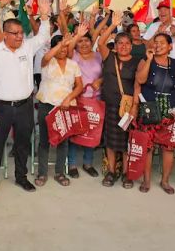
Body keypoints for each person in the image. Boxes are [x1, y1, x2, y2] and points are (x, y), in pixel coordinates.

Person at [0, 0, 51, 197]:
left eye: (21, 33)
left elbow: (43, 37)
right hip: (0, 107)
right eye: (16, 33)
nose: (20, 37)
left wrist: (44, 17)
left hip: (24, 107)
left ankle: (21, 177)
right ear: (6, 33)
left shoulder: (27, 47)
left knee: (23, 144)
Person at [98, 12, 141, 189]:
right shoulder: (109, 57)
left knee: (126, 142)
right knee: (110, 141)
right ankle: (111, 171)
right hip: (109, 106)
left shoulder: (138, 61)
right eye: (120, 43)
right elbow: (101, 42)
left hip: (128, 108)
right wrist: (112, 25)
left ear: (132, 46)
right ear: (115, 46)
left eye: (127, 43)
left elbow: (138, 86)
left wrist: (135, 108)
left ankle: (126, 173)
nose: (123, 46)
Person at [135, 33, 175, 194]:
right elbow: (140, 80)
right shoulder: (145, 60)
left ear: (170, 47)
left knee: (168, 147)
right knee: (148, 146)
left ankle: (165, 181)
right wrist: (149, 60)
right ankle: (146, 180)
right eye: (156, 42)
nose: (158, 45)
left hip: (169, 109)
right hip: (149, 107)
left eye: (162, 43)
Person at [35, 34, 84, 187]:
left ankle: (59, 173)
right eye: (60, 47)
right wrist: (61, 44)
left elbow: (79, 86)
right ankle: (42, 173)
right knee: (44, 141)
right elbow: (47, 56)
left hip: (65, 107)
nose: (63, 50)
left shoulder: (73, 65)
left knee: (63, 142)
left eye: (65, 47)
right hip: (47, 105)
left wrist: (69, 98)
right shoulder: (47, 62)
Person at [67, 22, 104, 178]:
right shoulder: (74, 56)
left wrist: (100, 81)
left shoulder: (99, 55)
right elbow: (69, 48)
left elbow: (105, 73)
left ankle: (88, 163)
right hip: (78, 99)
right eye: (80, 41)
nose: (83, 44)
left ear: (92, 42)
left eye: (86, 40)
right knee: (75, 133)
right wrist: (77, 35)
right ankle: (72, 164)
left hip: (96, 99)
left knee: (92, 131)